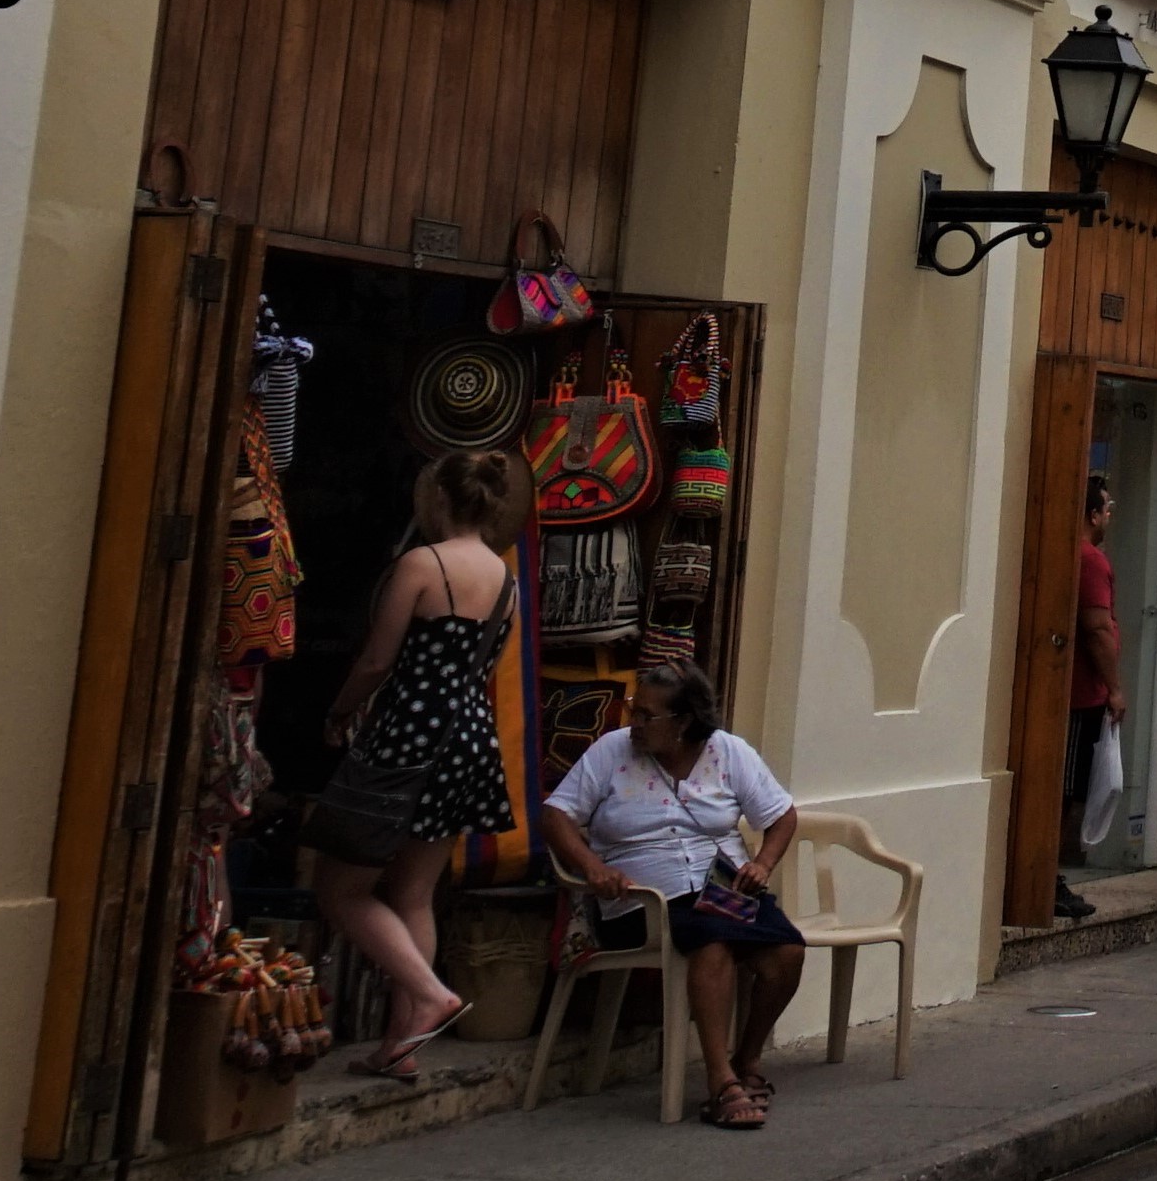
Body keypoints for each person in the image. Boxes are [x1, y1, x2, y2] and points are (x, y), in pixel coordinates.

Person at [309, 449, 524, 1074]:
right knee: (414, 893)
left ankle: (431, 996)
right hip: (470, 739)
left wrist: (339, 712)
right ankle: (402, 1046)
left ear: (436, 499)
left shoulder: (422, 564)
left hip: (409, 734)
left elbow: (378, 661)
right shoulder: (504, 578)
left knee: (340, 889)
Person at [540, 662, 804, 1129]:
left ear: (683, 722)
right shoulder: (612, 751)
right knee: (711, 939)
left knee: (786, 951)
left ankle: (746, 1059)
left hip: (719, 889)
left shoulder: (728, 752)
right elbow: (557, 815)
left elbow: (781, 816)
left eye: (646, 716)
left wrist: (761, 864)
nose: (633, 723)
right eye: (633, 711)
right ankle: (721, 1084)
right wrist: (593, 866)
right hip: (642, 902)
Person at [1059, 473, 1121, 922]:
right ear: (1093, 513)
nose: (1110, 515)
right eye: (1107, 506)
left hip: (1079, 691)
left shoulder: (1074, 555)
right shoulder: (1090, 560)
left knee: (1072, 790)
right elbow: (1097, 627)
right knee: (1070, 793)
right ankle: (1051, 875)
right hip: (1082, 696)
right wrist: (1115, 687)